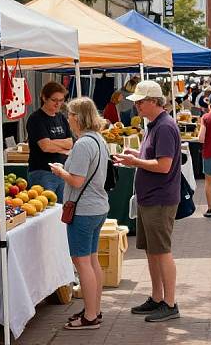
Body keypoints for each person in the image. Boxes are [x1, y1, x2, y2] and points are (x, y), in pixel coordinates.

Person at [113, 81, 181, 322]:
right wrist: (136, 155)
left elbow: (163, 165)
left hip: (159, 199)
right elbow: (156, 158)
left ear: (154, 101)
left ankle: (170, 303)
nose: (137, 105)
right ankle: (157, 298)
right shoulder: (155, 125)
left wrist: (136, 162)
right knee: (153, 251)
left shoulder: (164, 127)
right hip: (150, 198)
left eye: (141, 101)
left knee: (161, 251)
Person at [49, 97, 109, 330]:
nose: (68, 120)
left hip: (84, 210)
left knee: (82, 262)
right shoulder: (98, 140)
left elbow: (76, 179)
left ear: (77, 117)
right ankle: (94, 309)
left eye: (69, 116)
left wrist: (60, 171)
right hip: (96, 207)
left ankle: (90, 316)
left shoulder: (84, 143)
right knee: (91, 260)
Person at [26, 82, 72, 203]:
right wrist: (61, 145)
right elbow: (45, 146)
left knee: (62, 212)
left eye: (61, 100)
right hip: (42, 172)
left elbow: (70, 143)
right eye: (54, 100)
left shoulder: (61, 118)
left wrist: (53, 143)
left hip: (62, 172)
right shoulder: (36, 119)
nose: (58, 104)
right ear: (44, 98)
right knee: (46, 211)